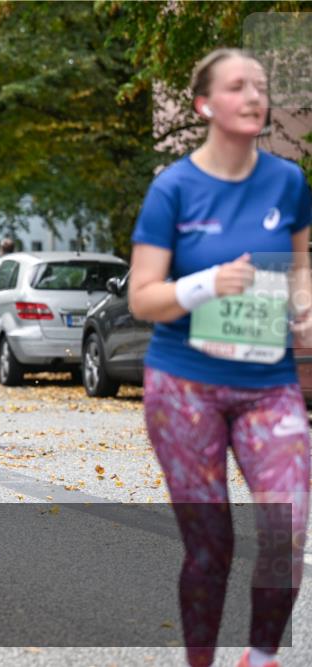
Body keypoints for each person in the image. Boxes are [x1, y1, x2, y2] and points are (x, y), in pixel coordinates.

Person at [128, 49, 311, 667]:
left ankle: (260, 657)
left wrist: (304, 303)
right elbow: (142, 297)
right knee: (212, 547)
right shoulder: (174, 188)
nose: (255, 97)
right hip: (186, 385)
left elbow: (301, 265)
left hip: (269, 385)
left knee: (288, 528)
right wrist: (206, 284)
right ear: (205, 104)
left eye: (261, 86)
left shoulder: (287, 182)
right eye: (239, 87)